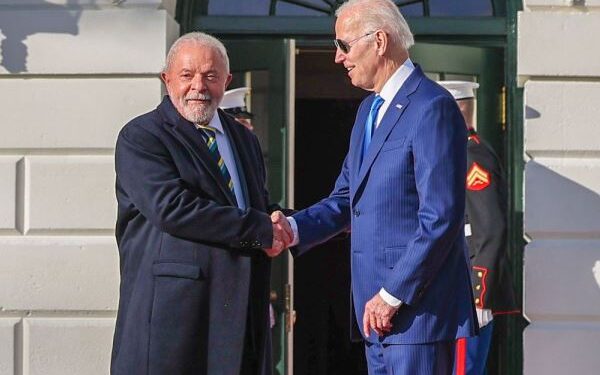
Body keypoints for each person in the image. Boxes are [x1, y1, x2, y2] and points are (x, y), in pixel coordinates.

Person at [272, 0, 477, 373]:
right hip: (376, 316)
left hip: (416, 315)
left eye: (344, 45)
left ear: (379, 41)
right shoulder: (368, 111)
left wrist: (391, 294)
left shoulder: (433, 107)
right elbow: (347, 197)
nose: (337, 58)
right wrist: (293, 228)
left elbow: (440, 218)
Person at [111, 32, 292, 375]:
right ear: (167, 79)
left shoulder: (244, 139)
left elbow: (258, 206)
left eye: (210, 76)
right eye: (186, 75)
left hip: (241, 322)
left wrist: (300, 225)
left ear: (227, 80)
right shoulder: (142, 136)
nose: (199, 86)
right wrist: (261, 230)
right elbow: (172, 208)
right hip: (174, 324)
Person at [438, 81, 519, 375]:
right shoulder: (454, 151)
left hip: (467, 293)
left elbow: (489, 226)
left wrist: (479, 294)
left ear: (454, 109)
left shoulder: (471, 155)